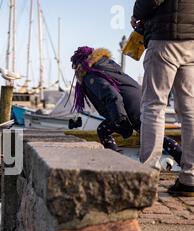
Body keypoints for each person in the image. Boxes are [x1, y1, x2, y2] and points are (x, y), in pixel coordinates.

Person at [70, 46, 182, 164]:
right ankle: (115, 159)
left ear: (79, 64)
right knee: (153, 136)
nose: (74, 70)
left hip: (130, 108)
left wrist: (120, 120)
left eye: (74, 66)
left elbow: (112, 95)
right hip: (137, 102)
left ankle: (115, 161)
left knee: (155, 138)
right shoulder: (106, 66)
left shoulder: (91, 76)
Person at [132, 0, 194, 197]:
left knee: (153, 106)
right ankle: (190, 178)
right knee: (190, 110)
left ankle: (148, 176)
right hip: (192, 42)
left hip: (165, 38)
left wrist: (137, 14)